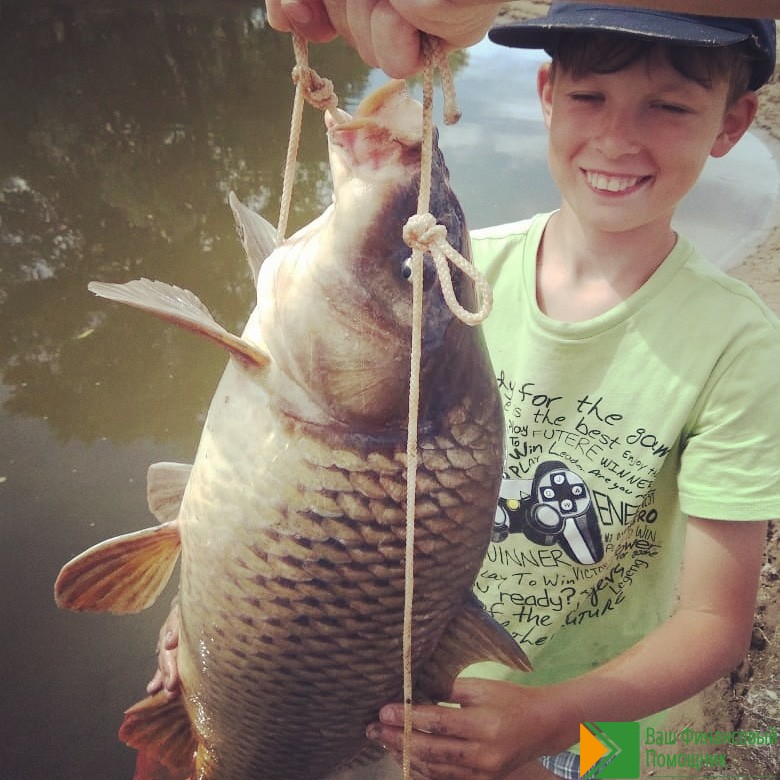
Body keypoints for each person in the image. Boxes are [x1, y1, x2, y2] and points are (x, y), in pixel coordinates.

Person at [149, 4, 780, 779]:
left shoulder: (742, 346)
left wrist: (551, 718)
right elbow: (262, 502)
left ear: (732, 122)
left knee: (633, 769)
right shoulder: (449, 273)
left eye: (670, 107)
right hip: (381, 708)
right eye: (590, 97)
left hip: (590, 714)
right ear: (547, 94)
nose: (618, 138)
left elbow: (714, 623)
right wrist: (209, 614)